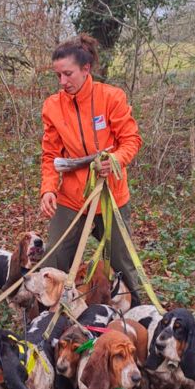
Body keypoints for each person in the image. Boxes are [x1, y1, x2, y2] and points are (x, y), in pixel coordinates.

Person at [40, 33, 143, 303]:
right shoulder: (52, 106)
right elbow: (51, 153)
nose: (63, 82)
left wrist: (116, 161)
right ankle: (44, 323)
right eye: (58, 76)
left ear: (86, 69)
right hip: (73, 199)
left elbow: (131, 140)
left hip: (111, 198)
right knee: (53, 261)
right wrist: (48, 189)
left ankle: (143, 321)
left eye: (68, 74)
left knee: (123, 265)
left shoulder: (111, 98)